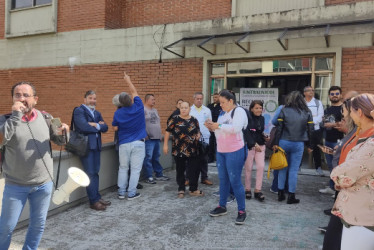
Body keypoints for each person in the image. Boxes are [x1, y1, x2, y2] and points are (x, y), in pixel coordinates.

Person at [0, 82, 69, 249]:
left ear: (35, 99)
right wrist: (16, 115)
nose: (22, 98)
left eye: (26, 95)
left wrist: (65, 132)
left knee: (38, 226)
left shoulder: (46, 118)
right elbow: (1, 140)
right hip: (16, 185)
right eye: (17, 95)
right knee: (6, 228)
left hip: (43, 185)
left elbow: (60, 141)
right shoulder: (5, 120)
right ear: (13, 98)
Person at [330, 93, 374, 250]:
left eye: (350, 110)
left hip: (362, 216)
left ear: (359, 113)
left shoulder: (371, 143)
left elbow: (342, 174)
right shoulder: (363, 134)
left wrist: (337, 175)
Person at [321, 91, 358, 250]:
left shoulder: (363, 134)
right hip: (343, 184)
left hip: (350, 187)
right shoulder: (355, 131)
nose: (342, 115)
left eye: (344, 111)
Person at [206, 90, 248, 225]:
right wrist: (212, 127)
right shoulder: (223, 113)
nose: (221, 105)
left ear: (231, 101)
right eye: (220, 103)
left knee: (235, 181)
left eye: (223, 102)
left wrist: (218, 125)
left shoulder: (239, 111)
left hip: (235, 150)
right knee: (223, 180)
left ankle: (241, 211)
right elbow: (220, 130)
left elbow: (235, 128)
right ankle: (222, 206)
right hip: (221, 150)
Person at [274, 91, 314, 204]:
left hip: (283, 142)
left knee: (282, 168)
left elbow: (279, 128)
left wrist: (276, 143)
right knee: (293, 170)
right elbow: (311, 130)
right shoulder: (307, 112)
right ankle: (291, 196)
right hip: (298, 143)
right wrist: (311, 145)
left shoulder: (284, 110)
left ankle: (280, 193)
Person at [73, 90, 110, 211]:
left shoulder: (97, 112)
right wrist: (98, 126)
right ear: (85, 100)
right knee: (89, 174)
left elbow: (106, 127)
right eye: (90, 98)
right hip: (86, 147)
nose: (93, 101)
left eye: (94, 98)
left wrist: (95, 125)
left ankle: (97, 197)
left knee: (95, 173)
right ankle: (93, 201)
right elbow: (82, 126)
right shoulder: (79, 111)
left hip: (96, 146)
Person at [112, 72, 147, 200]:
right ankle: (131, 193)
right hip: (138, 143)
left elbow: (115, 127)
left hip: (124, 143)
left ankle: (121, 192)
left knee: (123, 168)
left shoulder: (118, 113)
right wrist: (128, 80)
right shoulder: (138, 106)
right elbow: (134, 91)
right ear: (131, 100)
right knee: (135, 169)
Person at [163, 101, 203, 198]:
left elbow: (198, 131)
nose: (184, 109)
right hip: (178, 149)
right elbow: (167, 132)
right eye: (182, 108)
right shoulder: (174, 119)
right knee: (180, 170)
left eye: (186, 107)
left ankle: (193, 189)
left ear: (189, 109)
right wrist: (165, 145)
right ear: (179, 109)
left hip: (192, 149)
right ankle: (181, 189)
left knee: (193, 170)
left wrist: (198, 135)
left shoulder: (194, 120)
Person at [319, 86, 344, 195]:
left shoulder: (344, 108)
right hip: (328, 139)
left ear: (340, 95)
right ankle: (331, 186)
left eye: (336, 94)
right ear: (329, 96)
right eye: (332, 94)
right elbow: (324, 123)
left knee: (338, 165)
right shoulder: (327, 109)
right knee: (330, 165)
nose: (334, 96)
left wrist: (332, 124)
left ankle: (337, 189)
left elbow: (347, 124)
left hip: (339, 141)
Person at [143, 94, 170, 184]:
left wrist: (160, 135)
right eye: (152, 99)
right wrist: (145, 135)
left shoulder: (155, 110)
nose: (154, 101)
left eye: (154, 99)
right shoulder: (143, 110)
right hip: (149, 138)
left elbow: (157, 123)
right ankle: (149, 176)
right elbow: (141, 124)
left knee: (156, 157)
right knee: (148, 158)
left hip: (156, 138)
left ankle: (159, 174)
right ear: (147, 100)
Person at [244, 100, 267, 202]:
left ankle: (258, 190)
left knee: (261, 167)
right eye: (256, 108)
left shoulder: (262, 119)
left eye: (260, 108)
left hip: (261, 146)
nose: (259, 110)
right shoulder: (247, 118)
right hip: (251, 146)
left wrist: (264, 136)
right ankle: (248, 189)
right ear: (252, 109)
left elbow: (259, 131)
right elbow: (247, 133)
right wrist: (253, 143)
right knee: (248, 168)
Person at [190, 92, 213, 185]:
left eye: (201, 99)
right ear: (194, 99)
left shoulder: (207, 110)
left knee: (204, 159)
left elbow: (210, 123)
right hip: (192, 139)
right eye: (197, 99)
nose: (199, 100)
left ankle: (204, 178)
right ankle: (189, 178)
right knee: (191, 159)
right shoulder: (189, 110)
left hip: (204, 138)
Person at [304, 86, 325, 176]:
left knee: (316, 148)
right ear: (304, 93)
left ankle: (318, 167)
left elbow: (321, 116)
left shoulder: (317, 102)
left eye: (312, 90)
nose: (311, 92)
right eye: (309, 90)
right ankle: (298, 167)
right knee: (301, 147)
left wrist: (310, 123)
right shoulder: (301, 102)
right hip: (303, 129)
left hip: (315, 129)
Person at [207, 93, 222, 163]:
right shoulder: (210, 106)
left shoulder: (221, 106)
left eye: (216, 97)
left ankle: (218, 158)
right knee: (211, 142)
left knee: (218, 143)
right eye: (214, 97)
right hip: (211, 127)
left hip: (218, 127)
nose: (215, 99)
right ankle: (210, 158)